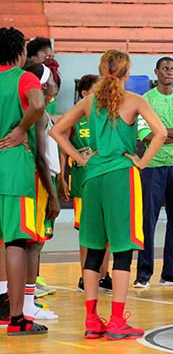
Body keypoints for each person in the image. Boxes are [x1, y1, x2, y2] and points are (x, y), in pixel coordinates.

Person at [50, 49, 167, 339]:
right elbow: (161, 133)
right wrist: (141, 161)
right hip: (121, 177)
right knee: (123, 249)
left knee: (94, 249)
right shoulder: (135, 101)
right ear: (127, 73)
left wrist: (79, 158)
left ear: (103, 70)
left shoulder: (90, 101)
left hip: (92, 178)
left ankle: (91, 320)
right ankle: (116, 320)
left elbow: (57, 131)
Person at [0, 26, 47, 335]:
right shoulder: (23, 78)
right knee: (17, 242)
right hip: (13, 165)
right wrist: (21, 129)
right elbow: (38, 104)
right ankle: (17, 317)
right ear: (21, 53)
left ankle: (3, 304)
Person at [135, 57, 173, 288]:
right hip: (152, 166)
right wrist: (170, 133)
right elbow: (146, 135)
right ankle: (144, 273)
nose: (169, 72)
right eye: (165, 68)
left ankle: (172, 273)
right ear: (156, 71)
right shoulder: (145, 101)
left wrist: (162, 133)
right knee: (148, 221)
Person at [57, 74, 113, 292]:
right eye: (97, 88)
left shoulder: (108, 115)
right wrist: (62, 177)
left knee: (107, 230)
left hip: (106, 174)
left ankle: (104, 274)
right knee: (88, 231)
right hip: (83, 178)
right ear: (84, 92)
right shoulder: (76, 116)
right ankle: (85, 275)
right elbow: (63, 148)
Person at [21, 61, 61, 320]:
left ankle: (24, 300)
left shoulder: (42, 111)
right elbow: (41, 157)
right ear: (46, 85)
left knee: (28, 244)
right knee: (34, 244)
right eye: (55, 80)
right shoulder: (41, 113)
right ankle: (27, 303)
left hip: (42, 179)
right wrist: (53, 195)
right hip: (39, 182)